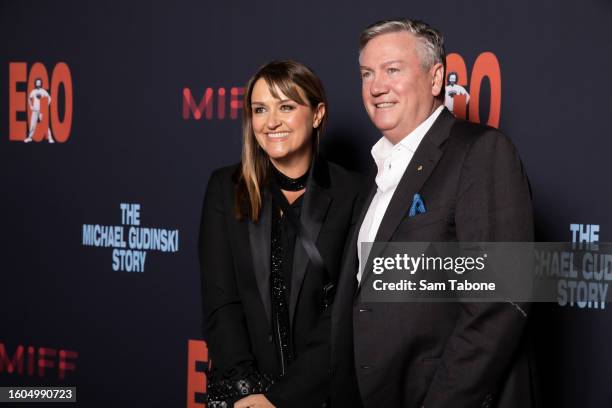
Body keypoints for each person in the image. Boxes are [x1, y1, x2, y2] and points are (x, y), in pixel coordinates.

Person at [330, 19, 537, 407]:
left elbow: (498, 304)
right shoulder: (378, 171)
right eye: (367, 74)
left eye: (393, 70)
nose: (376, 87)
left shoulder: (481, 152)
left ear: (436, 77)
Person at [198, 60, 361, 408]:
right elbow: (221, 302)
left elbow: (347, 312)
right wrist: (248, 393)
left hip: (322, 395)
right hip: (244, 395)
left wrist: (282, 400)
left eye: (286, 106)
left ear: (317, 115)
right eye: (260, 109)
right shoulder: (226, 190)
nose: (271, 121)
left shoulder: (354, 193)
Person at [24, 78, 54, 143]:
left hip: (41, 111)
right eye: (37, 83)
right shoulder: (33, 91)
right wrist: (31, 106)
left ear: (41, 84)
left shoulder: (43, 91)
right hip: (35, 111)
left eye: (39, 83)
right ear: (35, 84)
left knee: (45, 124)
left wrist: (45, 106)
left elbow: (49, 98)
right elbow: (29, 98)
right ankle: (29, 137)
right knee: (32, 125)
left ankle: (50, 138)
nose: (38, 84)